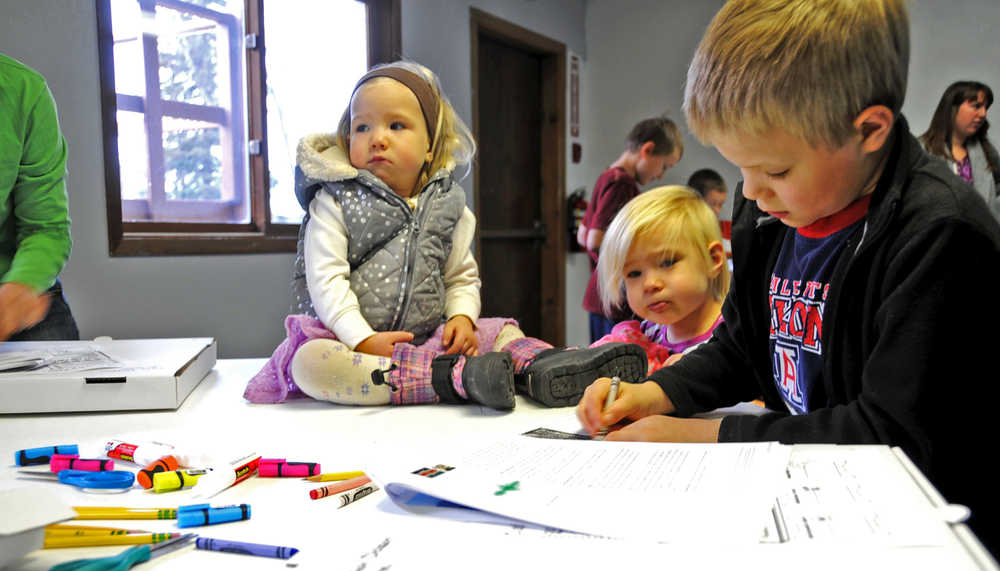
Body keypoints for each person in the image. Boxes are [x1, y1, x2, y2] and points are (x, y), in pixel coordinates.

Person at [576, 0, 1000, 556]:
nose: (751, 192)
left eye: (774, 170)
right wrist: (659, 393)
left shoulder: (941, 233)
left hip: (921, 537)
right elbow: (741, 344)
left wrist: (699, 436)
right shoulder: (773, 211)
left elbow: (888, 435)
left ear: (869, 130)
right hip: (802, 497)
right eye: (741, 167)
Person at [244, 61, 645, 410]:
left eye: (396, 125)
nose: (376, 137)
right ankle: (446, 380)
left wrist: (461, 318)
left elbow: (460, 277)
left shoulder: (451, 206)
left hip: (428, 340)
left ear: (431, 145)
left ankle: (545, 368)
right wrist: (362, 339)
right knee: (310, 363)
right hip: (355, 345)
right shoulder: (334, 201)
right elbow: (326, 279)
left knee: (503, 332)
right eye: (361, 126)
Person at [590, 185, 728, 374]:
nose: (649, 284)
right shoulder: (646, 334)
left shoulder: (735, 338)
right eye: (634, 273)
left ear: (713, 260)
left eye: (667, 262)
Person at [578, 117, 683, 343]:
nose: (661, 175)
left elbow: (583, 233)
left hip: (599, 299)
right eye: (664, 166)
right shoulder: (622, 184)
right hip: (613, 303)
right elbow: (595, 240)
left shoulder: (607, 176)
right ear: (647, 150)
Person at [0, 53, 79, 342]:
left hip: (16, 289)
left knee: (63, 387)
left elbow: (45, 229)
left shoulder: (24, 91)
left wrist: (19, 288)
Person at [920, 81, 999, 220]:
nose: (983, 113)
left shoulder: (987, 151)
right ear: (952, 108)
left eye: (986, 107)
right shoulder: (921, 150)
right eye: (977, 106)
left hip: (983, 238)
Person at [686, 167, 731, 260]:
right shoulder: (682, 232)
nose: (718, 211)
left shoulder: (725, 230)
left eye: (720, 205)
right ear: (694, 201)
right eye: (712, 204)